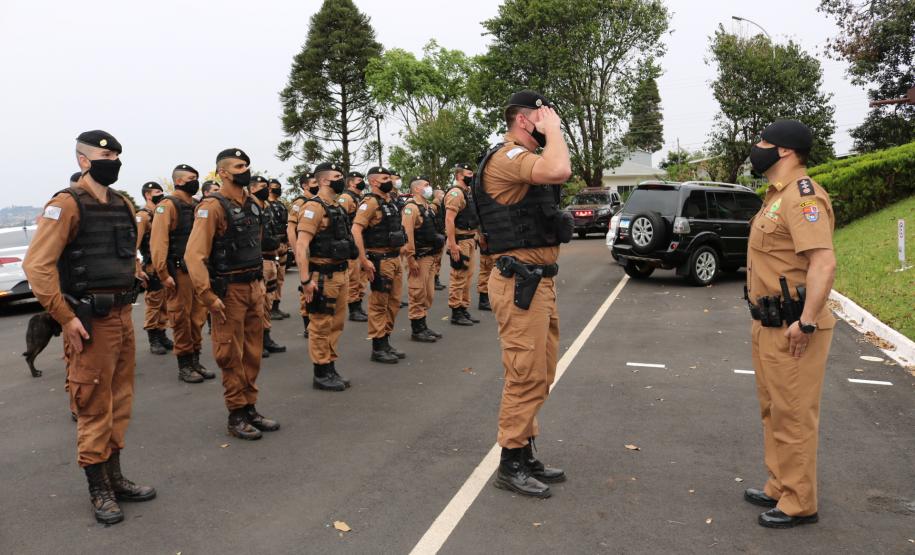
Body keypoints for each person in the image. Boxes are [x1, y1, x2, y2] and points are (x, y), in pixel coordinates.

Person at [24, 130, 156, 524]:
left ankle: (115, 479)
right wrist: (65, 318)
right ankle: (98, 488)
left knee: (120, 401)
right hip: (88, 322)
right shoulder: (65, 204)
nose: (112, 159)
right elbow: (37, 266)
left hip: (121, 315)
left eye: (116, 153)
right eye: (104, 153)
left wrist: (136, 275)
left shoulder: (121, 203)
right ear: (84, 160)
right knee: (94, 405)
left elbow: (127, 250)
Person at [474, 91, 573, 498]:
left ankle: (526, 450)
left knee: (542, 373)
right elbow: (560, 170)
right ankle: (510, 462)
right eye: (543, 115)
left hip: (538, 282)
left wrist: (550, 130)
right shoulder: (507, 157)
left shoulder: (525, 160)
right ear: (523, 120)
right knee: (524, 373)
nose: (551, 121)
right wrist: (554, 131)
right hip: (520, 283)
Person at [743, 119, 837, 529]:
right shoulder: (775, 198)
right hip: (767, 323)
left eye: (763, 141)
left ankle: (800, 501)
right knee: (773, 409)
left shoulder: (802, 198)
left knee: (794, 414)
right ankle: (780, 484)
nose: (756, 147)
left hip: (795, 327)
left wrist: (809, 321)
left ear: (783, 150)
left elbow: (823, 261)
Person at [185, 148, 280, 440]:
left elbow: (258, 243)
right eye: (239, 166)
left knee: (253, 352)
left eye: (247, 164)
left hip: (253, 286)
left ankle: (250, 407)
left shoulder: (252, 203)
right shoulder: (212, 207)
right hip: (228, 292)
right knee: (230, 354)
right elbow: (194, 255)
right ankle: (236, 413)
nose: (245, 169)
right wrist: (208, 296)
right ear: (223, 173)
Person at [294, 162, 357, 391]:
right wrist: (305, 281)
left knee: (336, 324)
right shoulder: (314, 207)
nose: (342, 179)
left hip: (340, 273)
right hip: (322, 276)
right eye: (337, 175)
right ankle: (321, 371)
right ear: (323, 181)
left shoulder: (337, 207)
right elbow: (301, 246)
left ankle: (330, 365)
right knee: (321, 324)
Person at [150, 164, 213, 383]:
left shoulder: (197, 205)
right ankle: (184, 365)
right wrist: (163, 273)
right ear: (178, 181)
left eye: (196, 177)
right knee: (181, 318)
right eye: (190, 178)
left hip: (198, 271)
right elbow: (158, 242)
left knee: (198, 318)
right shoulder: (167, 206)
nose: (195, 181)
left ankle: (195, 359)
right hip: (178, 272)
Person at [351, 166, 407, 364]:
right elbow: (356, 230)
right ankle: (378, 346)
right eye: (385, 178)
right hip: (379, 260)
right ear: (374, 182)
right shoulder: (370, 203)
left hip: (394, 259)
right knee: (379, 304)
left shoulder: (389, 201)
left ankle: (386, 340)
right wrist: (363, 260)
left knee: (394, 302)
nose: (389, 180)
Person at [401, 176, 444, 342]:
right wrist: (410, 258)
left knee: (428, 294)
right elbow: (408, 234)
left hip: (430, 255)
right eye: (426, 185)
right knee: (417, 292)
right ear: (417, 189)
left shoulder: (426, 206)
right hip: (418, 257)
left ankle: (423, 325)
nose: (429, 188)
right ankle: (417, 330)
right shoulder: (410, 208)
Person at [249, 175, 286, 357]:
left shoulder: (267, 206)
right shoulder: (250, 207)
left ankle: (266, 335)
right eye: (263, 187)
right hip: (260, 260)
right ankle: (257, 340)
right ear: (253, 188)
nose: (268, 190)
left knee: (268, 300)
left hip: (271, 258)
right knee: (259, 302)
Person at [136, 181, 173, 354]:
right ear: (148, 195)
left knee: (164, 303)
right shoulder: (143, 216)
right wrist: (138, 269)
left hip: (163, 265)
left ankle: (162, 333)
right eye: (157, 191)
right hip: (151, 266)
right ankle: (153, 338)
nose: (161, 194)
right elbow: (134, 244)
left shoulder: (160, 213)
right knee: (154, 304)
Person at [445, 163, 479, 326]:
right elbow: (449, 219)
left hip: (470, 239)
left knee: (467, 276)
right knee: (458, 276)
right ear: (459, 176)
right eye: (468, 173)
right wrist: (452, 245)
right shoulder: (456, 193)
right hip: (460, 240)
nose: (471, 176)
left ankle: (463, 307)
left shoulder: (468, 193)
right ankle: (456, 311)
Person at [288, 172, 319, 338]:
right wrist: (296, 251)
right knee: (306, 290)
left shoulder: (317, 203)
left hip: (317, 252)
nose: (317, 184)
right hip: (305, 252)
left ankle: (315, 323)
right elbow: (291, 228)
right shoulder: (300, 203)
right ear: (305, 186)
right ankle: (308, 326)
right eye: (314, 182)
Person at [339, 170, 369, 322]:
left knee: (362, 276)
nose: (362, 182)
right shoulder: (346, 198)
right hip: (352, 242)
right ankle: (353, 309)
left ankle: (358, 304)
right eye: (359, 180)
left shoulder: (360, 198)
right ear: (351, 183)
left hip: (362, 241)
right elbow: (342, 221)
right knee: (353, 277)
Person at [267, 178, 291, 320]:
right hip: (272, 246)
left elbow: (285, 225)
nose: (278, 189)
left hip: (282, 244)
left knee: (280, 277)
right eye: (275, 187)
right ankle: (268, 307)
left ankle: (276, 306)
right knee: (272, 277)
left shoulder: (281, 205)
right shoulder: (265, 205)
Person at [430, 188, 447, 291]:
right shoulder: (434, 206)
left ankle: (436, 279)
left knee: (439, 259)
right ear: (436, 195)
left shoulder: (441, 206)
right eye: (441, 193)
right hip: (437, 236)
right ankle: (434, 280)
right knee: (435, 259)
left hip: (441, 235)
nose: (443, 195)